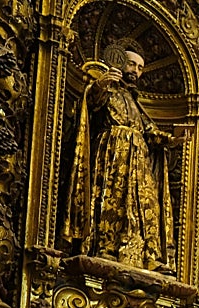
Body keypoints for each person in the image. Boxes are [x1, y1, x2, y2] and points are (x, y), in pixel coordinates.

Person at [64, 47, 176, 272]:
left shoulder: (135, 101)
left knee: (142, 206)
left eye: (140, 67)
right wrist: (101, 84)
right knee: (111, 198)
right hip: (113, 154)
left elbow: (150, 131)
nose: (135, 70)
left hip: (138, 160)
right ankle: (105, 247)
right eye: (132, 64)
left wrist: (174, 139)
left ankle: (146, 254)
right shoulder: (107, 88)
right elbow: (91, 105)